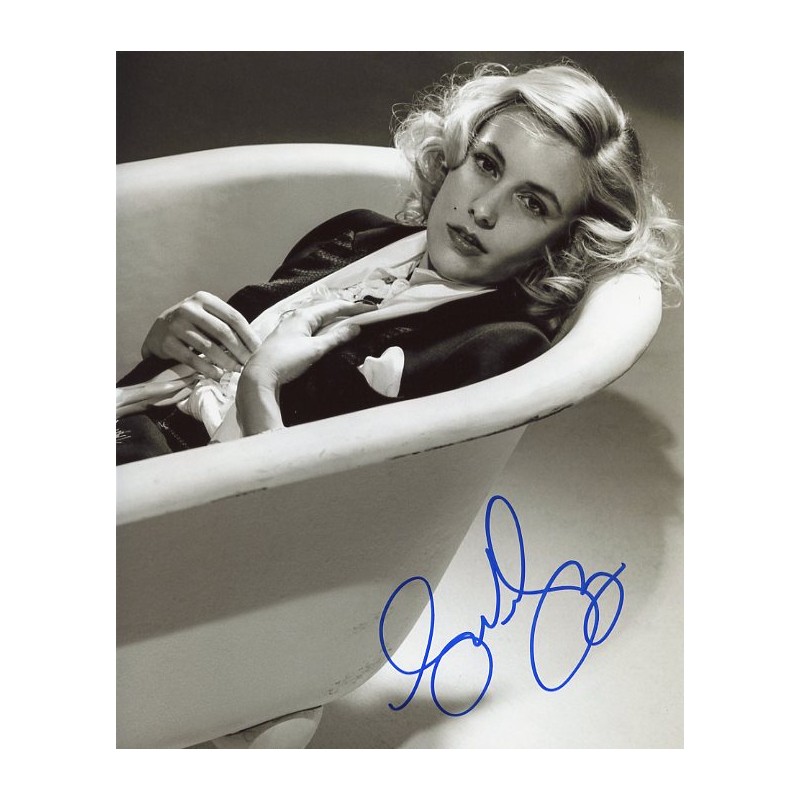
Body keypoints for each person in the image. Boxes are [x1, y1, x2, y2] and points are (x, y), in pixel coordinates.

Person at [116, 61, 681, 465]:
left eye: (532, 203)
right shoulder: (353, 233)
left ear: (566, 240)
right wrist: (162, 347)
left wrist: (261, 383)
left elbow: (318, 521)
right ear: (455, 151)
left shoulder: (495, 346)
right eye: (486, 164)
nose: (484, 209)